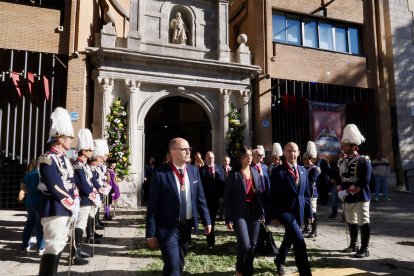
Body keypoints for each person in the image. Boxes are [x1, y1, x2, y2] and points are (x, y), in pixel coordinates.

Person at [146, 137, 212, 276]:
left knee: (179, 264)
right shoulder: (160, 174)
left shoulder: (194, 171)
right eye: (184, 149)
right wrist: (150, 234)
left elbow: (200, 198)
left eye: (189, 149)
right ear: (173, 152)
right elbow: (152, 206)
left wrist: (207, 220)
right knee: (172, 264)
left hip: (186, 226)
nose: (188, 152)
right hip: (167, 227)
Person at [37, 107, 78, 275]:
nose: (71, 140)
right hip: (55, 206)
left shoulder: (65, 159)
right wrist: (70, 202)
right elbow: (53, 184)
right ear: (60, 138)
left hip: (65, 207)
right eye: (69, 137)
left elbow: (71, 181)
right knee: (52, 246)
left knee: (60, 243)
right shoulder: (48, 158)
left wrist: (75, 199)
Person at [270, 142, 313, 276]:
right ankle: (305, 273)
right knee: (300, 242)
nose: (292, 154)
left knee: (289, 238)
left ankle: (279, 260)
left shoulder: (303, 170)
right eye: (289, 151)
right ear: (284, 153)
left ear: (299, 153)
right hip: (285, 212)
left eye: (294, 151)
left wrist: (309, 213)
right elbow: (273, 195)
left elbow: (306, 195)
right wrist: (274, 215)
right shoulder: (278, 171)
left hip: (298, 212)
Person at [225, 146, 266, 276]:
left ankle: (248, 271)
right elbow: (228, 197)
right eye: (246, 155)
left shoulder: (255, 172)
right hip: (239, 213)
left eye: (250, 155)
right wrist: (228, 218)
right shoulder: (234, 174)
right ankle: (239, 269)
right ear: (241, 158)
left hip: (254, 212)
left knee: (253, 246)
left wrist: (263, 212)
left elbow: (261, 194)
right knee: (245, 245)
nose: (249, 158)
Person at [337, 124, 372, 258]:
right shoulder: (342, 161)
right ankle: (353, 244)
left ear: (354, 147)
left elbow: (365, 180)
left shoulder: (364, 160)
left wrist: (348, 191)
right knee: (351, 220)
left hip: (360, 195)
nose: (343, 147)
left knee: (363, 220)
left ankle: (365, 248)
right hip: (347, 196)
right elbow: (338, 177)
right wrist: (340, 190)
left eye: (346, 145)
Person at [72, 128, 99, 264]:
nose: (92, 152)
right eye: (89, 150)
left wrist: (96, 191)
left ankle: (79, 249)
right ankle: (74, 253)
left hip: (87, 199)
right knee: (79, 225)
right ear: (83, 151)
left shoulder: (84, 165)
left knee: (81, 225)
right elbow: (82, 184)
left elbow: (91, 180)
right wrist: (92, 193)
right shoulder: (78, 165)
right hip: (83, 199)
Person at [199, 151, 225, 249]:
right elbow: (199, 186)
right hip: (205, 200)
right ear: (205, 159)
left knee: (212, 219)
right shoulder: (201, 170)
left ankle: (209, 236)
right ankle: (210, 241)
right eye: (209, 158)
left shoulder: (219, 169)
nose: (211, 159)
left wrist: (222, 196)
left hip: (216, 199)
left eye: (212, 157)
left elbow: (222, 183)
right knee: (208, 219)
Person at [21, 158, 45, 254]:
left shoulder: (28, 174)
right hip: (39, 201)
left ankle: (24, 245)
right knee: (39, 225)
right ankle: (40, 247)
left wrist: (29, 193)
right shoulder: (40, 174)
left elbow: (22, 187)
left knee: (29, 224)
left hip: (29, 201)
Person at [302, 142, 321, 238]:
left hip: (312, 193)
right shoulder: (303, 168)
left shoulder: (315, 169)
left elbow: (311, 181)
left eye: (308, 159)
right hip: (305, 193)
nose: (306, 161)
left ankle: (314, 230)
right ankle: (307, 227)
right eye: (305, 159)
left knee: (312, 211)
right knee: (306, 211)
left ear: (312, 159)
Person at [217, 156, 231, 220]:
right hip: (222, 189)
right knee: (221, 204)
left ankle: (228, 216)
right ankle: (220, 216)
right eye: (224, 161)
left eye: (226, 161)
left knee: (229, 204)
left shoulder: (232, 169)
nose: (225, 162)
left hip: (230, 190)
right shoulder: (219, 169)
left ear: (229, 162)